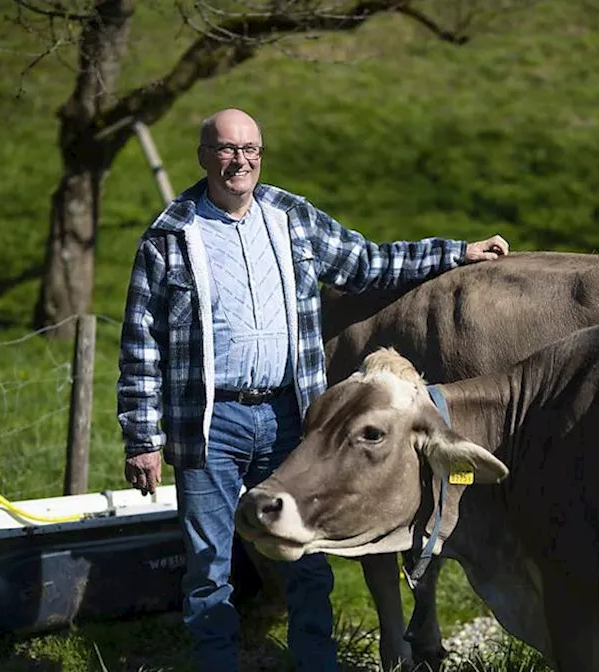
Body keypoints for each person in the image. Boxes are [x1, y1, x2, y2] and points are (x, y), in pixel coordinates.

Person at [117, 107, 508, 672]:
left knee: (305, 558)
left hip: (288, 416)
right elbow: (140, 343)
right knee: (208, 566)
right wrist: (141, 437)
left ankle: (316, 664)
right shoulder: (169, 237)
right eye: (227, 150)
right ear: (204, 156)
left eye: (250, 149)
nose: (239, 161)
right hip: (209, 422)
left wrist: (455, 252)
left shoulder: (289, 217)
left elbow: (368, 262)